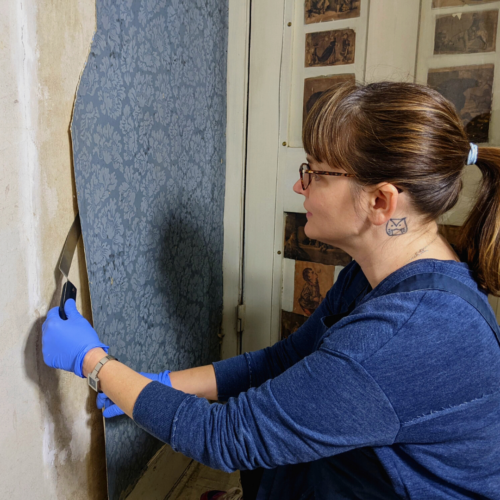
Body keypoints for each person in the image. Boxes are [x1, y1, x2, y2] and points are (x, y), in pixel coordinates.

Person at [42, 81, 500, 499]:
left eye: (316, 173)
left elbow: (225, 438)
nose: (299, 185)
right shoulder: (378, 273)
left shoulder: (409, 332)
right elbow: (285, 361)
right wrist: (162, 384)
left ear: (380, 201)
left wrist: (95, 363)